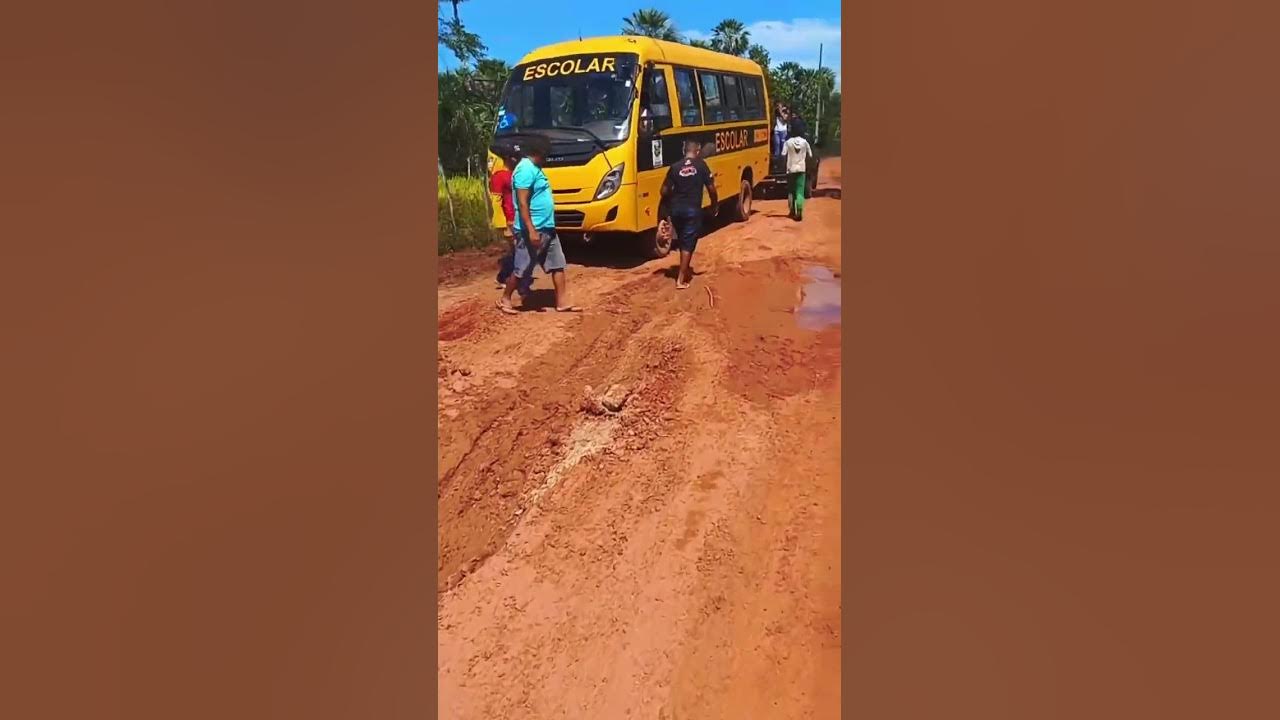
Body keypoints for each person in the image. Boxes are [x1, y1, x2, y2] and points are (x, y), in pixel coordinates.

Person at [498, 135, 581, 314]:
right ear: (539, 153)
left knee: (558, 265)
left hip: (547, 228)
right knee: (522, 269)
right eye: (546, 155)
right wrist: (531, 230)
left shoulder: (535, 168)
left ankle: (561, 302)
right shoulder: (525, 170)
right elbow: (522, 203)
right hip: (532, 230)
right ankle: (505, 298)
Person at [659, 140, 718, 289]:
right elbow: (711, 188)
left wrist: (670, 202)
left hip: (676, 210)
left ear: (684, 151)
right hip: (692, 211)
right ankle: (681, 279)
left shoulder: (675, 167)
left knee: (683, 241)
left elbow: (663, 191)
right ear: (697, 151)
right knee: (688, 245)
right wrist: (714, 205)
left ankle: (679, 265)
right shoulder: (701, 165)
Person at [489, 151, 518, 288]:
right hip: (509, 219)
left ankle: (507, 277)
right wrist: (502, 222)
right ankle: (505, 277)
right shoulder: (499, 176)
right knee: (517, 250)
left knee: (516, 250)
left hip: (516, 217)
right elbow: (496, 200)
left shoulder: (514, 174)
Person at [783, 115, 814, 221]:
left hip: (790, 169)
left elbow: (783, 155)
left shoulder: (788, 142)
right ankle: (800, 211)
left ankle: (792, 211)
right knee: (800, 191)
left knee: (791, 191)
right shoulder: (805, 142)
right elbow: (810, 155)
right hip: (801, 169)